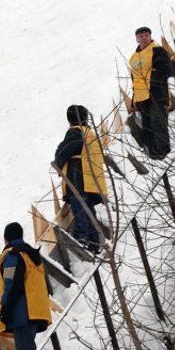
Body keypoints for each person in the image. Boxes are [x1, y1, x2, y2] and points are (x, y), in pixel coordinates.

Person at [0, 222, 52, 350]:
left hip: (22, 311)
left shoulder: (13, 255)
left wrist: (5, 308)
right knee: (26, 346)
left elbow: (10, 283)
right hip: (36, 309)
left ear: (6, 238)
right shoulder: (31, 254)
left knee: (25, 349)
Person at [54, 104, 107, 252]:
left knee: (80, 209)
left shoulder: (75, 132)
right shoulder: (89, 133)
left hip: (78, 178)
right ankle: (95, 243)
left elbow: (67, 148)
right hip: (90, 181)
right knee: (88, 210)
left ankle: (82, 239)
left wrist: (58, 161)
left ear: (70, 120)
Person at [129, 27, 174, 160]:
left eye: (146, 35)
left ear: (150, 36)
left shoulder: (158, 50)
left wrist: (152, 77)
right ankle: (154, 155)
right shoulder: (133, 58)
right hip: (141, 97)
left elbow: (167, 70)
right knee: (147, 126)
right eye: (141, 35)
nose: (144, 37)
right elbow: (134, 81)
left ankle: (164, 153)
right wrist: (133, 100)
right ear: (137, 38)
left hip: (156, 93)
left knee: (158, 123)